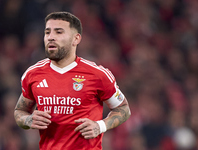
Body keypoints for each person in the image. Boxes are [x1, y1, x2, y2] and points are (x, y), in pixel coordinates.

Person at [14, 11, 131, 150]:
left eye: (58, 32)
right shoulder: (32, 74)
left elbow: (123, 109)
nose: (51, 37)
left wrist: (100, 126)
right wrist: (28, 120)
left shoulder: (98, 74)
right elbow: (19, 111)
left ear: (76, 39)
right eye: (47, 32)